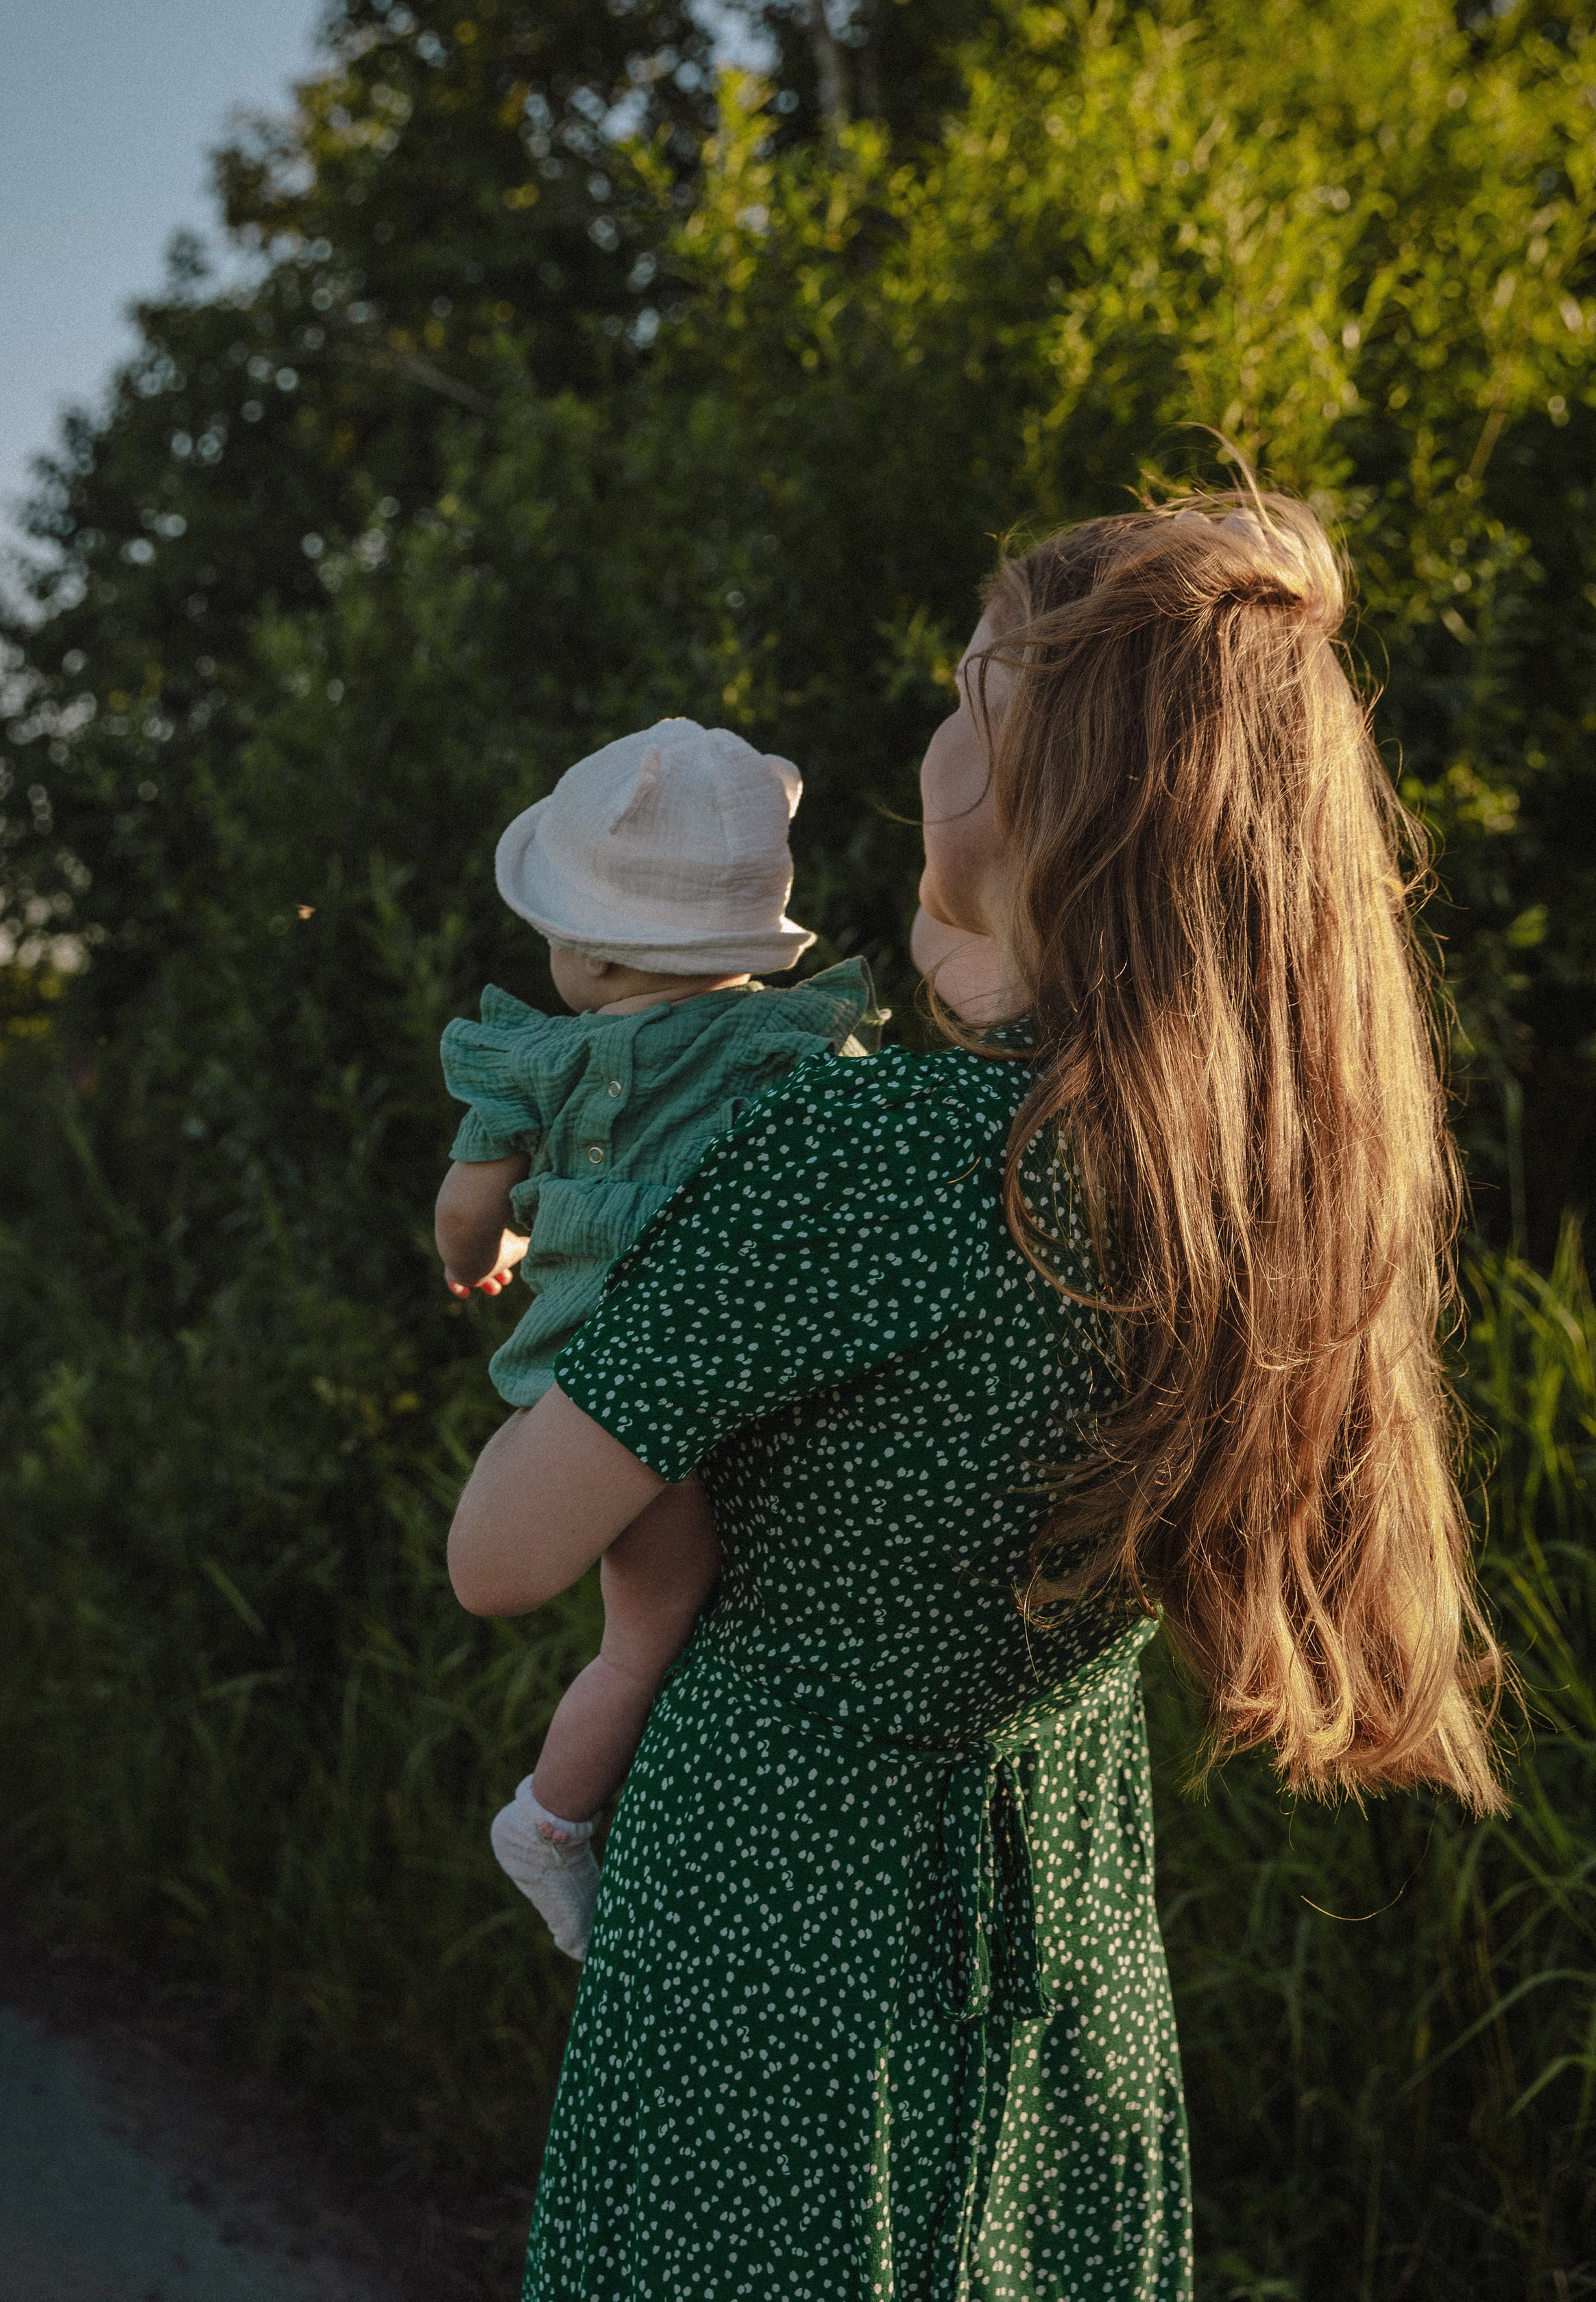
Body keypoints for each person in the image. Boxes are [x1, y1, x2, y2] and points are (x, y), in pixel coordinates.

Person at [448, 488, 1503, 2301]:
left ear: (1031, 793)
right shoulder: (1264, 1190)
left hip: (777, 1960)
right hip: (1064, 1936)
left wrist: (586, 1252)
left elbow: (501, 1554)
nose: (937, 732)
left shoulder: (863, 1165)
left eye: (973, 694)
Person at [434, 717, 880, 1958]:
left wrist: (484, 1265)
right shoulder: (793, 1045)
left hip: (601, 1391)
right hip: (733, 1387)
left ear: (584, 949)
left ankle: (551, 1819)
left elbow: (468, 1211)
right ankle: (557, 1817)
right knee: (674, 1615)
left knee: (641, 1637)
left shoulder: (538, 1061)